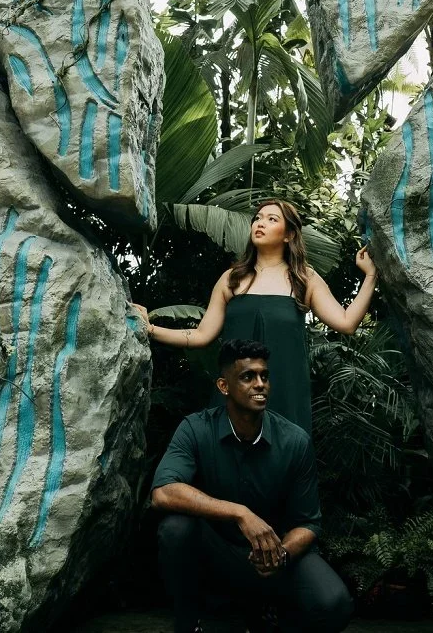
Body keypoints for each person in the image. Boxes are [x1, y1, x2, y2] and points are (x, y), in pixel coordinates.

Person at [151, 338, 353, 633]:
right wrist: (240, 513)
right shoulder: (196, 428)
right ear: (224, 386)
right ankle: (188, 624)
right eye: (248, 377)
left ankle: (270, 617)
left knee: (334, 603)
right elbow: (163, 492)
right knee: (175, 528)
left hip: (273, 559)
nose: (260, 384)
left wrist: (281, 554)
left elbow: (308, 523)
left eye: (264, 376)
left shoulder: (294, 441)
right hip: (217, 553)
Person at [131, 199, 377, 433]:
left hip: (285, 395)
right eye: (257, 218)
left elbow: (346, 323)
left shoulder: (305, 278)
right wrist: (151, 329)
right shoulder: (231, 279)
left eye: (272, 219)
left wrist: (370, 276)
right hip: (234, 395)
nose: (260, 223)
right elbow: (201, 335)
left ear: (289, 235)